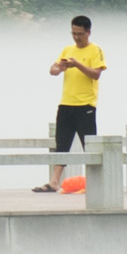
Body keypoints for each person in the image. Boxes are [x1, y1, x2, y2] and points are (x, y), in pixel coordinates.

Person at [46, 15, 105, 191]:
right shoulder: (67, 49)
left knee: (90, 145)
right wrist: (60, 68)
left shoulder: (95, 50)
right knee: (62, 143)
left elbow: (96, 74)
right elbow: (53, 70)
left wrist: (77, 65)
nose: (76, 37)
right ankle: (54, 181)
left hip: (85, 105)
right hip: (66, 103)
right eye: (73, 33)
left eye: (80, 34)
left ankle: (95, 182)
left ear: (88, 32)